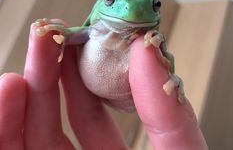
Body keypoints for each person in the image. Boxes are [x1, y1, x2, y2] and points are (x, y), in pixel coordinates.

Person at [0, 25, 208, 150]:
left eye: (155, 4)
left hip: (133, 96)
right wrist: (59, 34)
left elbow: (165, 57)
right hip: (95, 88)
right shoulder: (96, 28)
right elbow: (80, 33)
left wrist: (171, 74)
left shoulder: (146, 38)